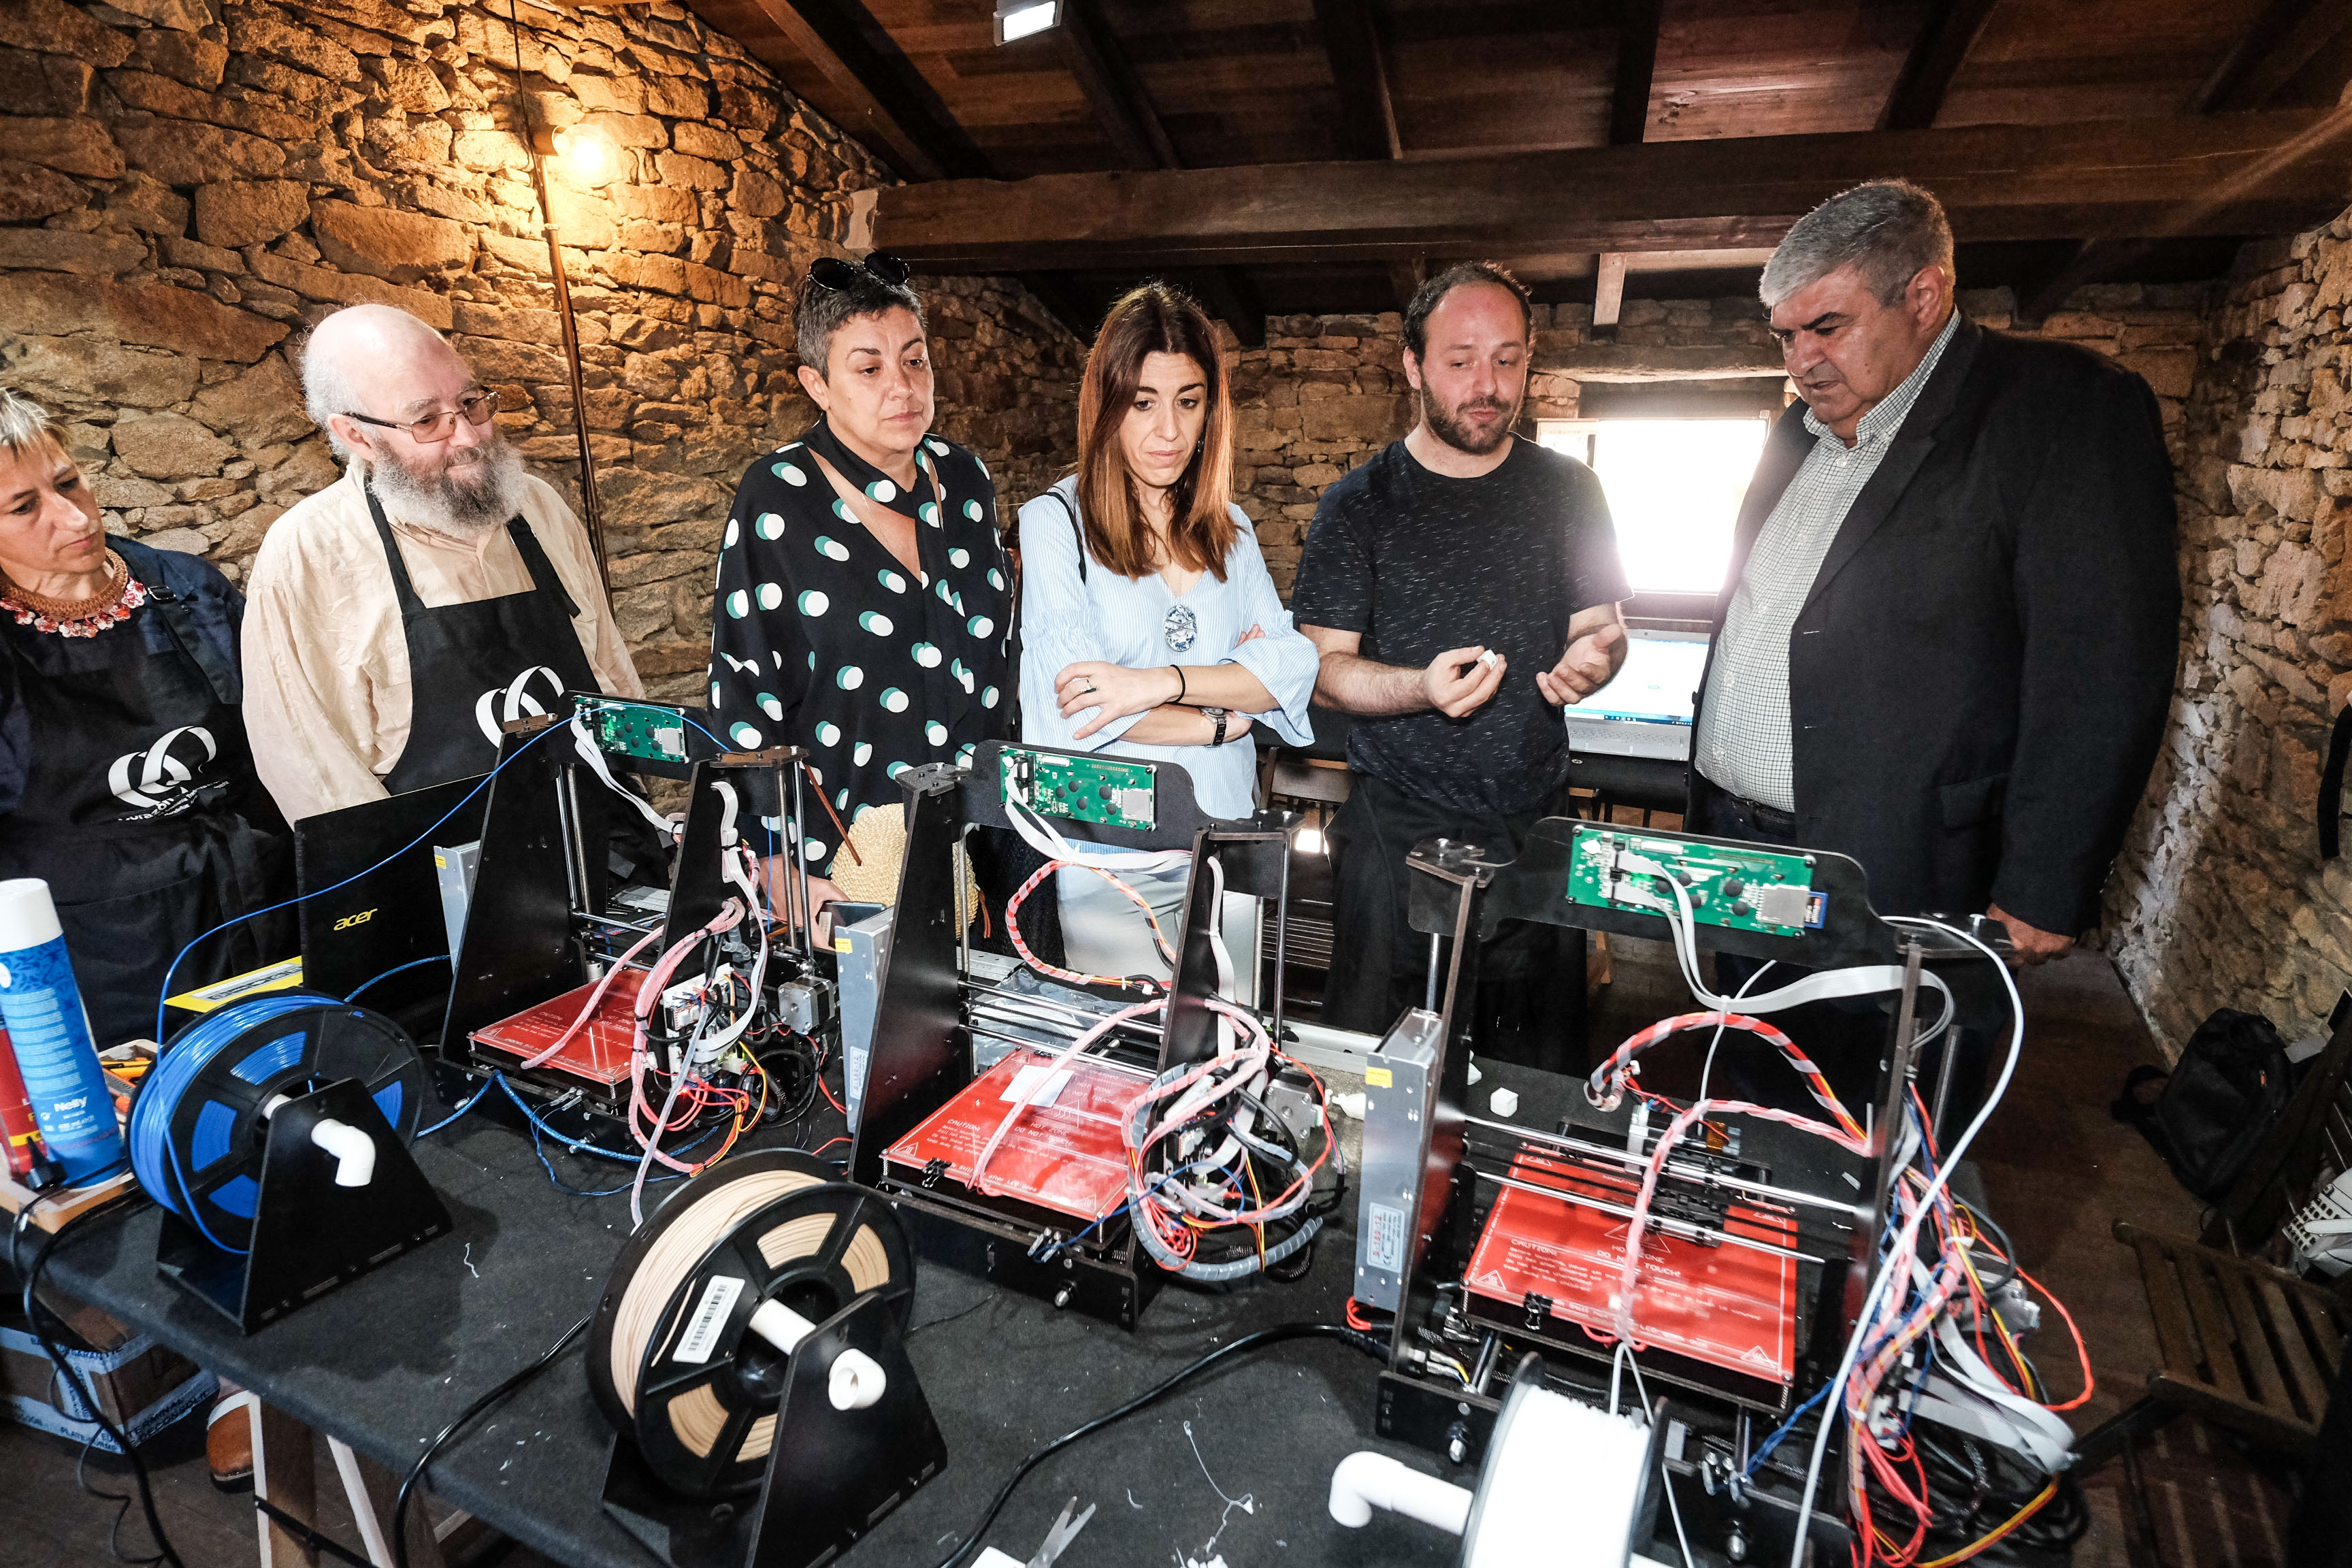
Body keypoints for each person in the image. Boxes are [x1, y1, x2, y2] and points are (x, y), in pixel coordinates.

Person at [1688, 178, 2178, 1111]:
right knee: (1745, 1101)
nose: (1802, 360)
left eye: (1826, 326)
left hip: (1906, 867)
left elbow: (2105, 664)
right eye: (1785, 336)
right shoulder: (1793, 436)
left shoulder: (2059, 414)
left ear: (1924, 295)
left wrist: (2046, 881)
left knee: (1887, 1137)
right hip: (1742, 856)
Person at [1293, 263, 1631, 1070]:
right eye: (1461, 361)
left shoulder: (1571, 490)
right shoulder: (1358, 504)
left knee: (1532, 1083)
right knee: (1374, 1079)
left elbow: (1603, 629)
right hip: (1392, 832)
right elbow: (1322, 667)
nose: (1488, 385)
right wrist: (1418, 688)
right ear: (1412, 365)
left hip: (1536, 826)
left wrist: (1597, 660)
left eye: (1508, 360)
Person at [1017, 282, 1317, 985]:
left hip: (1225, 837)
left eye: (1188, 401)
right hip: (1115, 856)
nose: (1169, 432)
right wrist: (1221, 721)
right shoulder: (1054, 522)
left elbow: (1291, 665)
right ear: (1107, 405)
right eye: (1143, 403)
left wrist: (1155, 686)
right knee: (1127, 1060)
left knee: (1229, 1052)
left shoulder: (1232, 529)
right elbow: (1079, 709)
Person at [242, 304, 642, 822]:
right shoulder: (311, 553)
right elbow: (312, 771)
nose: (470, 437)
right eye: (427, 420)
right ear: (357, 436)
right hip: (446, 878)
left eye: (472, 402)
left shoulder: (539, 508)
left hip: (604, 842)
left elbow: (610, 673)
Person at [706, 252, 1011, 917]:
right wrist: (776, 864)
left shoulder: (965, 482)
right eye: (869, 368)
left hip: (972, 848)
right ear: (817, 384)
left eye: (914, 360)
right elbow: (743, 693)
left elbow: (995, 664)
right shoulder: (779, 498)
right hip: (839, 861)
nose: (901, 387)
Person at [0, 389, 293, 1047]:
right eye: (24, 507)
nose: (74, 517)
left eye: (69, 482)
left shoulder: (188, 588)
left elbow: (288, 732)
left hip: (261, 907)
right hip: (101, 962)